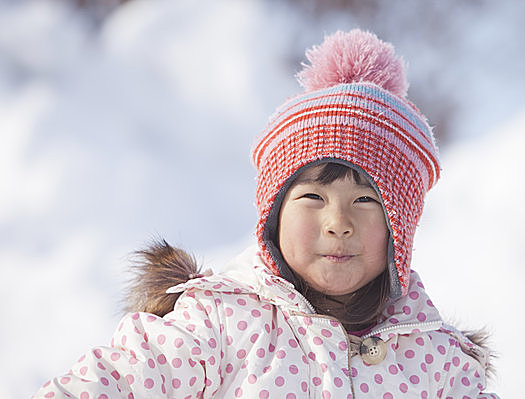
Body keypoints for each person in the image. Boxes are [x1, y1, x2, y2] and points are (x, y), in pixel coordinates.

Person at [33, 29, 499, 398]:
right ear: (272, 218)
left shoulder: (434, 359)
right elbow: (126, 379)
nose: (338, 222)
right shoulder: (222, 324)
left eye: (365, 201)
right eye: (313, 198)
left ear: (400, 230)